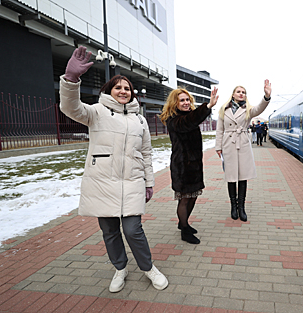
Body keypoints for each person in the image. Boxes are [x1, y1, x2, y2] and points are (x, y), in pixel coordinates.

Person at [59, 46, 168, 293]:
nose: (123, 91)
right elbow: (71, 108)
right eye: (118, 87)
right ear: (109, 90)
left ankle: (148, 267)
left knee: (133, 229)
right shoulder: (97, 112)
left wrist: (149, 182)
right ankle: (120, 268)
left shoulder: (140, 120)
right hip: (102, 182)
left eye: (127, 88)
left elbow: (147, 153)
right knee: (109, 231)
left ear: (131, 94)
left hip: (132, 182)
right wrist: (71, 80)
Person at [159, 87, 218, 244]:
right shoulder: (174, 120)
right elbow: (189, 121)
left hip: (194, 166)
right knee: (185, 199)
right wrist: (208, 106)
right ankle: (184, 229)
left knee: (193, 196)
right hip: (182, 167)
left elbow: (192, 118)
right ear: (175, 103)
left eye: (187, 100)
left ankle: (183, 222)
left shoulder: (188, 116)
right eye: (182, 100)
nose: (186, 103)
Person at [215, 80, 272, 221]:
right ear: (233, 94)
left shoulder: (248, 109)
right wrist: (218, 147)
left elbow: (259, 108)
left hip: (243, 144)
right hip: (228, 144)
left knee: (242, 177)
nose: (241, 94)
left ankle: (241, 208)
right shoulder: (223, 109)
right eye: (239, 91)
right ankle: (233, 207)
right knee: (231, 177)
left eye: (244, 92)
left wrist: (266, 97)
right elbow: (219, 130)